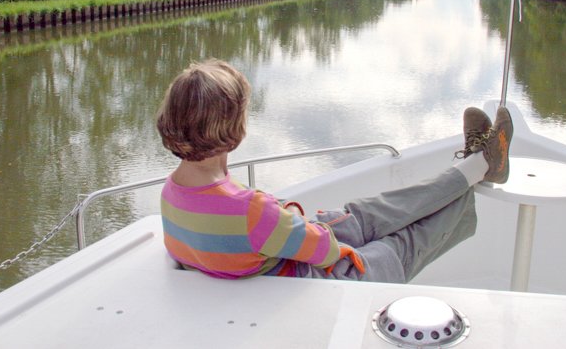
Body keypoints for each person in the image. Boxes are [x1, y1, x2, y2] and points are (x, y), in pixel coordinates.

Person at [158, 59, 512, 283]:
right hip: (314, 278)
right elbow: (324, 250)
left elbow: (242, 228)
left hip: (281, 255)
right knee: (401, 241)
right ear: (234, 129)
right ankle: (479, 165)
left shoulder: (171, 193)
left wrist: (286, 219)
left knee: (367, 215)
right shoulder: (250, 211)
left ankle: (476, 166)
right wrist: (325, 240)